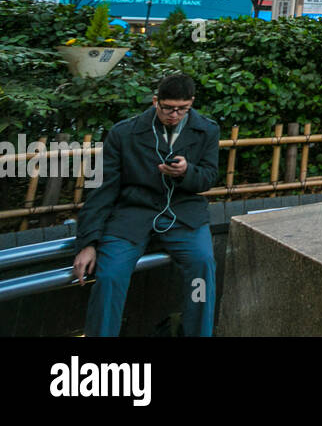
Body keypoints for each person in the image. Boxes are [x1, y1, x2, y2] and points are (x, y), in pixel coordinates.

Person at [72, 74, 220, 336]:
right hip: (132, 215)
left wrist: (187, 172)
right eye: (168, 108)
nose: (174, 115)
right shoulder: (123, 132)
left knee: (203, 266)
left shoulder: (207, 129)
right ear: (155, 102)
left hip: (183, 214)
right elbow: (101, 190)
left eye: (182, 109)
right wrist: (87, 243)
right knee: (109, 277)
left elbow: (208, 177)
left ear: (191, 103)